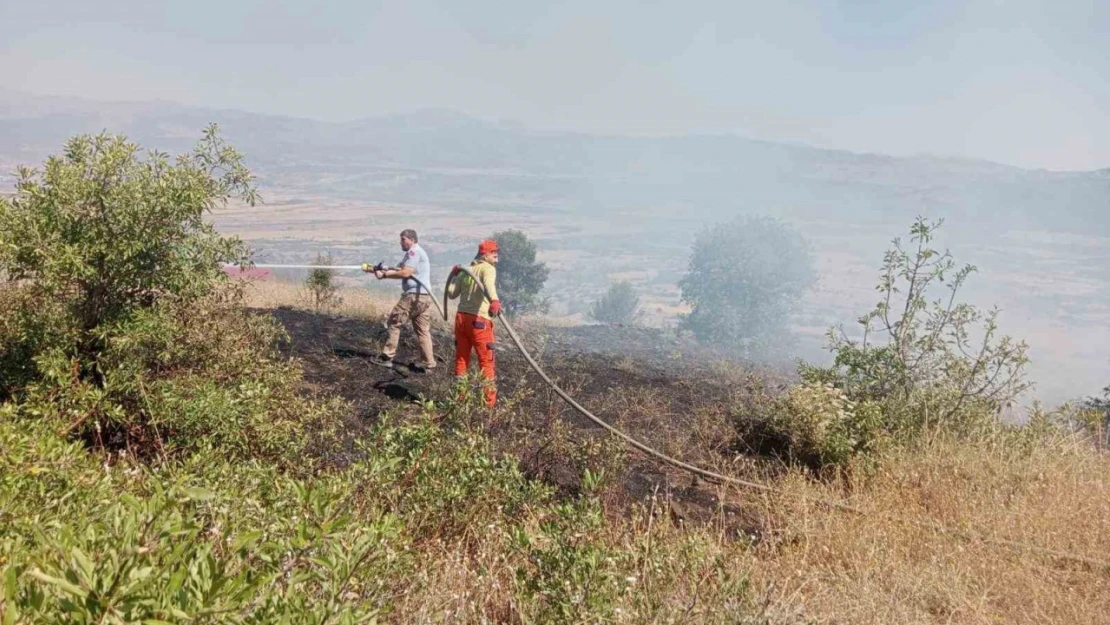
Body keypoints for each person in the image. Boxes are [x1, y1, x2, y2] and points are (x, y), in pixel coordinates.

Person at [362, 229, 436, 371]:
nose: (400, 242)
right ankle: (429, 364)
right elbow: (397, 268)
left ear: (412, 240)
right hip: (425, 297)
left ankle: (387, 357)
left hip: (413, 296)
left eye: (403, 239)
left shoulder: (414, 252)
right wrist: (373, 270)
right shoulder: (412, 254)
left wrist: (383, 276)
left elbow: (405, 272)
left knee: (394, 322)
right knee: (423, 330)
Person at [446, 239, 502, 407]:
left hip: (461, 320)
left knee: (462, 359)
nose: (497, 259)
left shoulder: (466, 271)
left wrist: (454, 277)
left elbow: (451, 294)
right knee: (486, 361)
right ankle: (489, 406)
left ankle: (459, 400)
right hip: (479, 321)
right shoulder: (488, 268)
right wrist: (495, 300)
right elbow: (489, 285)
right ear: (485, 255)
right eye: (494, 255)